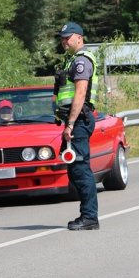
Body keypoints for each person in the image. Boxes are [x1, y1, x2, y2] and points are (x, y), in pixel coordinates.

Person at [54, 21, 99, 231]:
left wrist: (70, 124)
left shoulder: (81, 61)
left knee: (80, 169)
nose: (64, 41)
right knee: (75, 169)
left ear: (79, 38)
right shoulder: (70, 61)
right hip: (73, 121)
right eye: (62, 38)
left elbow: (80, 93)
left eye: (68, 37)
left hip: (79, 120)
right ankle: (87, 215)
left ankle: (89, 217)